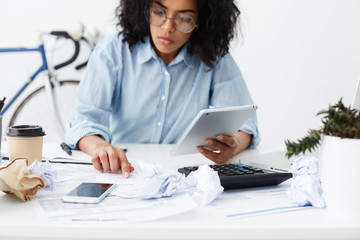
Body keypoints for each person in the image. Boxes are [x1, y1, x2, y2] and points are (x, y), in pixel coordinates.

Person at [65, 0, 260, 178]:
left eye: (184, 18)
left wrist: (233, 146)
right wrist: (101, 148)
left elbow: (246, 126)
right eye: (159, 12)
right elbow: (84, 120)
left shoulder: (215, 58)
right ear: (144, 8)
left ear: (203, 21)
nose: (167, 28)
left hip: (182, 174)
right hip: (124, 171)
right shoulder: (113, 51)